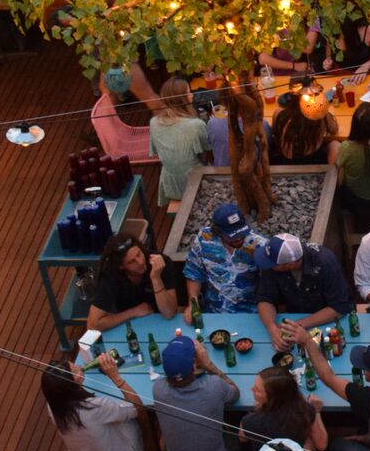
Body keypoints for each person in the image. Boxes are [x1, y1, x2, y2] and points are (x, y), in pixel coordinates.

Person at [41, 351, 146, 451]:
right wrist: (116, 378)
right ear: (70, 384)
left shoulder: (53, 406)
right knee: (133, 419)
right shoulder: (95, 407)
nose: (80, 368)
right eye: (75, 371)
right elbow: (137, 407)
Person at [152, 335, 240, 451]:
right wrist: (208, 364)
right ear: (194, 365)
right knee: (233, 429)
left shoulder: (158, 389)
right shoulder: (213, 386)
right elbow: (235, 393)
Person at [255, 233, 352, 350]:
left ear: (290, 265)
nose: (268, 265)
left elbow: (339, 307)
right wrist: (272, 329)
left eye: (272, 264)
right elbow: (265, 298)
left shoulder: (325, 262)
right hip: (294, 319)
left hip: (328, 323)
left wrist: (296, 326)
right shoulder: (273, 263)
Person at [239, 367, 328, 451]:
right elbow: (322, 445)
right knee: (308, 439)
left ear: (272, 398)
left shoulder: (251, 420)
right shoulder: (305, 412)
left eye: (257, 389)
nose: (251, 389)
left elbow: (242, 438)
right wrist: (317, 411)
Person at [86, 232, 180, 330]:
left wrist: (156, 278)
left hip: (162, 320)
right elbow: (93, 325)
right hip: (130, 324)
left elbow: (169, 313)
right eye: (132, 261)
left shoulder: (160, 262)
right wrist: (133, 312)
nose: (140, 262)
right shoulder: (111, 276)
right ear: (121, 266)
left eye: (139, 254)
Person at [183, 203, 264, 316]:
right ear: (217, 231)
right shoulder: (204, 239)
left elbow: (269, 285)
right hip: (213, 311)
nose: (239, 238)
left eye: (241, 232)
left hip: (251, 313)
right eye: (232, 235)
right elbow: (193, 272)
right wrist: (193, 303)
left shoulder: (259, 244)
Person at [148, 77, 209, 206]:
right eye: (188, 93)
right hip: (194, 182)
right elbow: (206, 154)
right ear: (182, 99)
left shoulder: (153, 122)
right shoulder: (196, 125)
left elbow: (158, 152)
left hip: (170, 183)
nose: (191, 96)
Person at [225, 85, 275, 222]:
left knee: (249, 167)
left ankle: (262, 205)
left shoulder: (212, 122)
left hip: (253, 162)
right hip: (249, 163)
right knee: (245, 168)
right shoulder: (261, 124)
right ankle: (251, 206)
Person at [270, 91, 337, 166]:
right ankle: (332, 172)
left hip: (284, 162)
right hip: (313, 164)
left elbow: (273, 132)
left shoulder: (278, 113)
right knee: (334, 144)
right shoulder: (319, 115)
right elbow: (334, 130)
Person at [321, 13, 370, 82]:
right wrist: (328, 59)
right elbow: (329, 48)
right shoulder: (332, 28)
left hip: (362, 76)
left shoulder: (369, 30)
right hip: (337, 76)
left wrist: (365, 67)